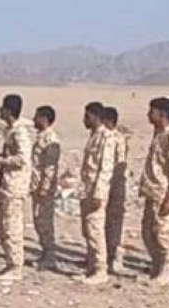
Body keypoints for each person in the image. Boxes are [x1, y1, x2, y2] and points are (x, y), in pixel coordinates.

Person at [140, 97, 169, 286]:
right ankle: (158, 268)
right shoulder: (158, 135)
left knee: (163, 234)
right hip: (152, 191)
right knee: (148, 233)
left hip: (163, 193)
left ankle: (166, 272)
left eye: (152, 112)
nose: (148, 115)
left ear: (162, 114)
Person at [76, 102, 117, 285]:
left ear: (95, 116)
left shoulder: (106, 138)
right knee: (88, 230)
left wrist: (99, 193)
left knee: (95, 230)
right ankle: (92, 268)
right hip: (88, 189)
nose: (84, 120)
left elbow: (105, 168)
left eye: (87, 116)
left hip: (96, 192)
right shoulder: (94, 136)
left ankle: (101, 270)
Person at [0, 94, 31, 281]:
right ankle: (10, 263)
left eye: (2, 108)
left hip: (15, 186)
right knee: (2, 227)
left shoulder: (19, 132)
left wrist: (3, 160)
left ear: (8, 110)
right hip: (8, 185)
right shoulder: (10, 130)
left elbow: (23, 159)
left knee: (11, 226)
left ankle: (16, 267)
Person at [30, 105, 62, 270]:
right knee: (38, 221)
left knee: (45, 222)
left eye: (36, 117)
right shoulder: (41, 137)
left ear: (43, 119)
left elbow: (50, 167)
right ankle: (45, 253)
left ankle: (50, 256)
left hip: (44, 189)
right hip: (37, 186)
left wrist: (44, 188)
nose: (33, 120)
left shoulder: (51, 140)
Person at [102, 107, 130, 274]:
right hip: (106, 185)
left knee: (115, 223)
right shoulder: (104, 137)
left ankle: (115, 258)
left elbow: (118, 166)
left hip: (115, 186)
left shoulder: (117, 139)